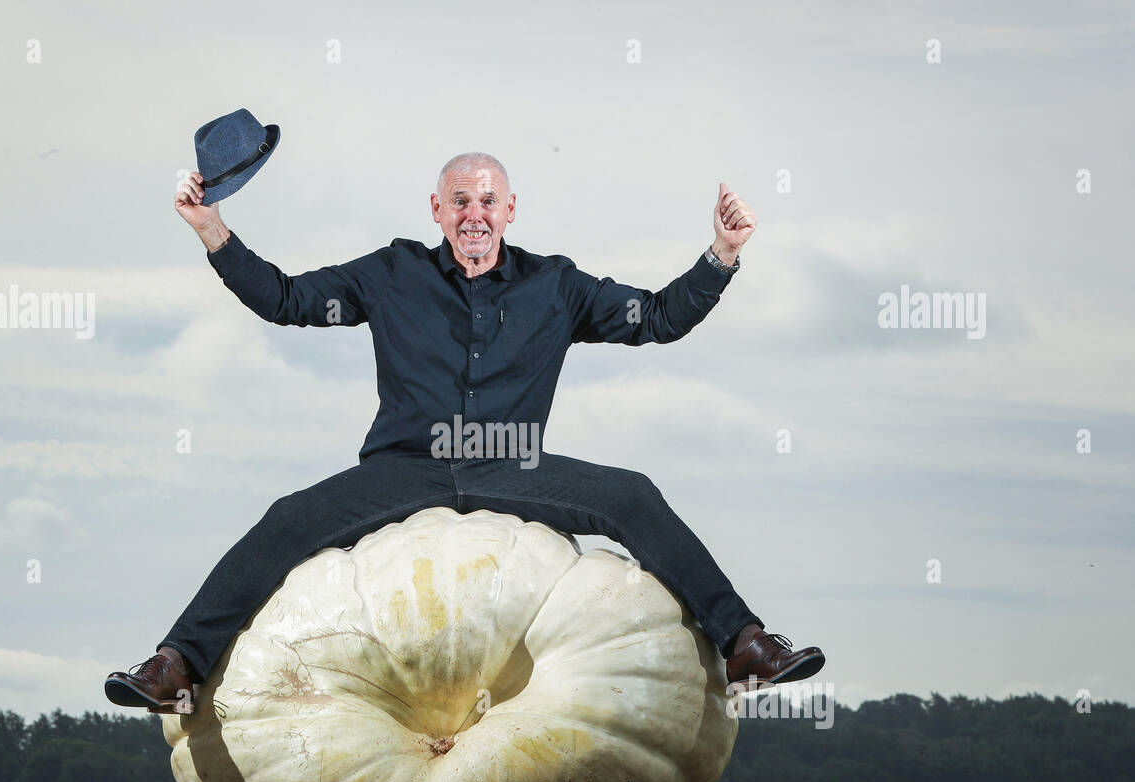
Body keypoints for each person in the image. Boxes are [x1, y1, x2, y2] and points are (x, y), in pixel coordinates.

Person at [104, 152, 824, 714]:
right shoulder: (391, 273)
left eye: (486, 201)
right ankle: (177, 666)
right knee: (289, 518)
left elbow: (659, 318)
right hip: (405, 466)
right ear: (437, 210)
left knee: (632, 495)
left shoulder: (557, 286)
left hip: (510, 463)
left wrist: (721, 253)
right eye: (459, 201)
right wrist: (213, 230)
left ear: (509, 210)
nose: (473, 214)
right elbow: (287, 299)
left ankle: (745, 645)